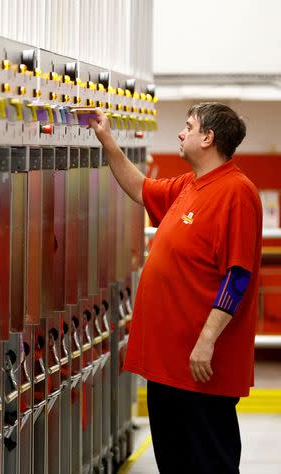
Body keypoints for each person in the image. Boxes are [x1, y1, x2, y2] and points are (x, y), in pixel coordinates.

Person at [88, 102, 261, 473]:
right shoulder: (188, 185)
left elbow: (238, 275)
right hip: (168, 364)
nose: (181, 133)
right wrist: (106, 139)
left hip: (200, 366)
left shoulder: (237, 192)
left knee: (209, 461)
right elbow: (140, 188)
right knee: (175, 461)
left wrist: (207, 340)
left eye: (188, 126)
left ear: (208, 137)